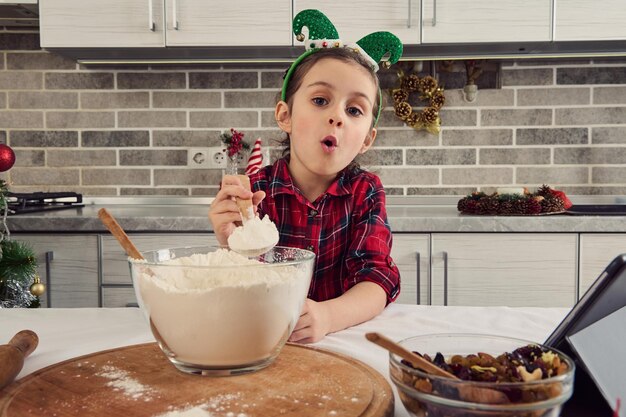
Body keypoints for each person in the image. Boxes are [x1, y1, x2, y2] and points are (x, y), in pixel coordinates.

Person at [209, 9, 402, 344]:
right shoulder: (255, 192)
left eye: (354, 110)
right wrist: (231, 244)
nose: (336, 117)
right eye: (320, 100)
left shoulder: (365, 192)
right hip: (265, 339)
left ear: (367, 139)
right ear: (285, 115)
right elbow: (240, 285)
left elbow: (376, 281)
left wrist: (327, 317)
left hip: (341, 339)